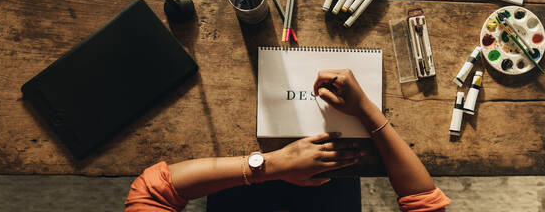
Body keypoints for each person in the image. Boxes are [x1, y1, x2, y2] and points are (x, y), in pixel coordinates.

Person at [125, 69, 451, 212]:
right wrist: (366, 110)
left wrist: (271, 165)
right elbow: (425, 200)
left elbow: (152, 190)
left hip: (236, 181)